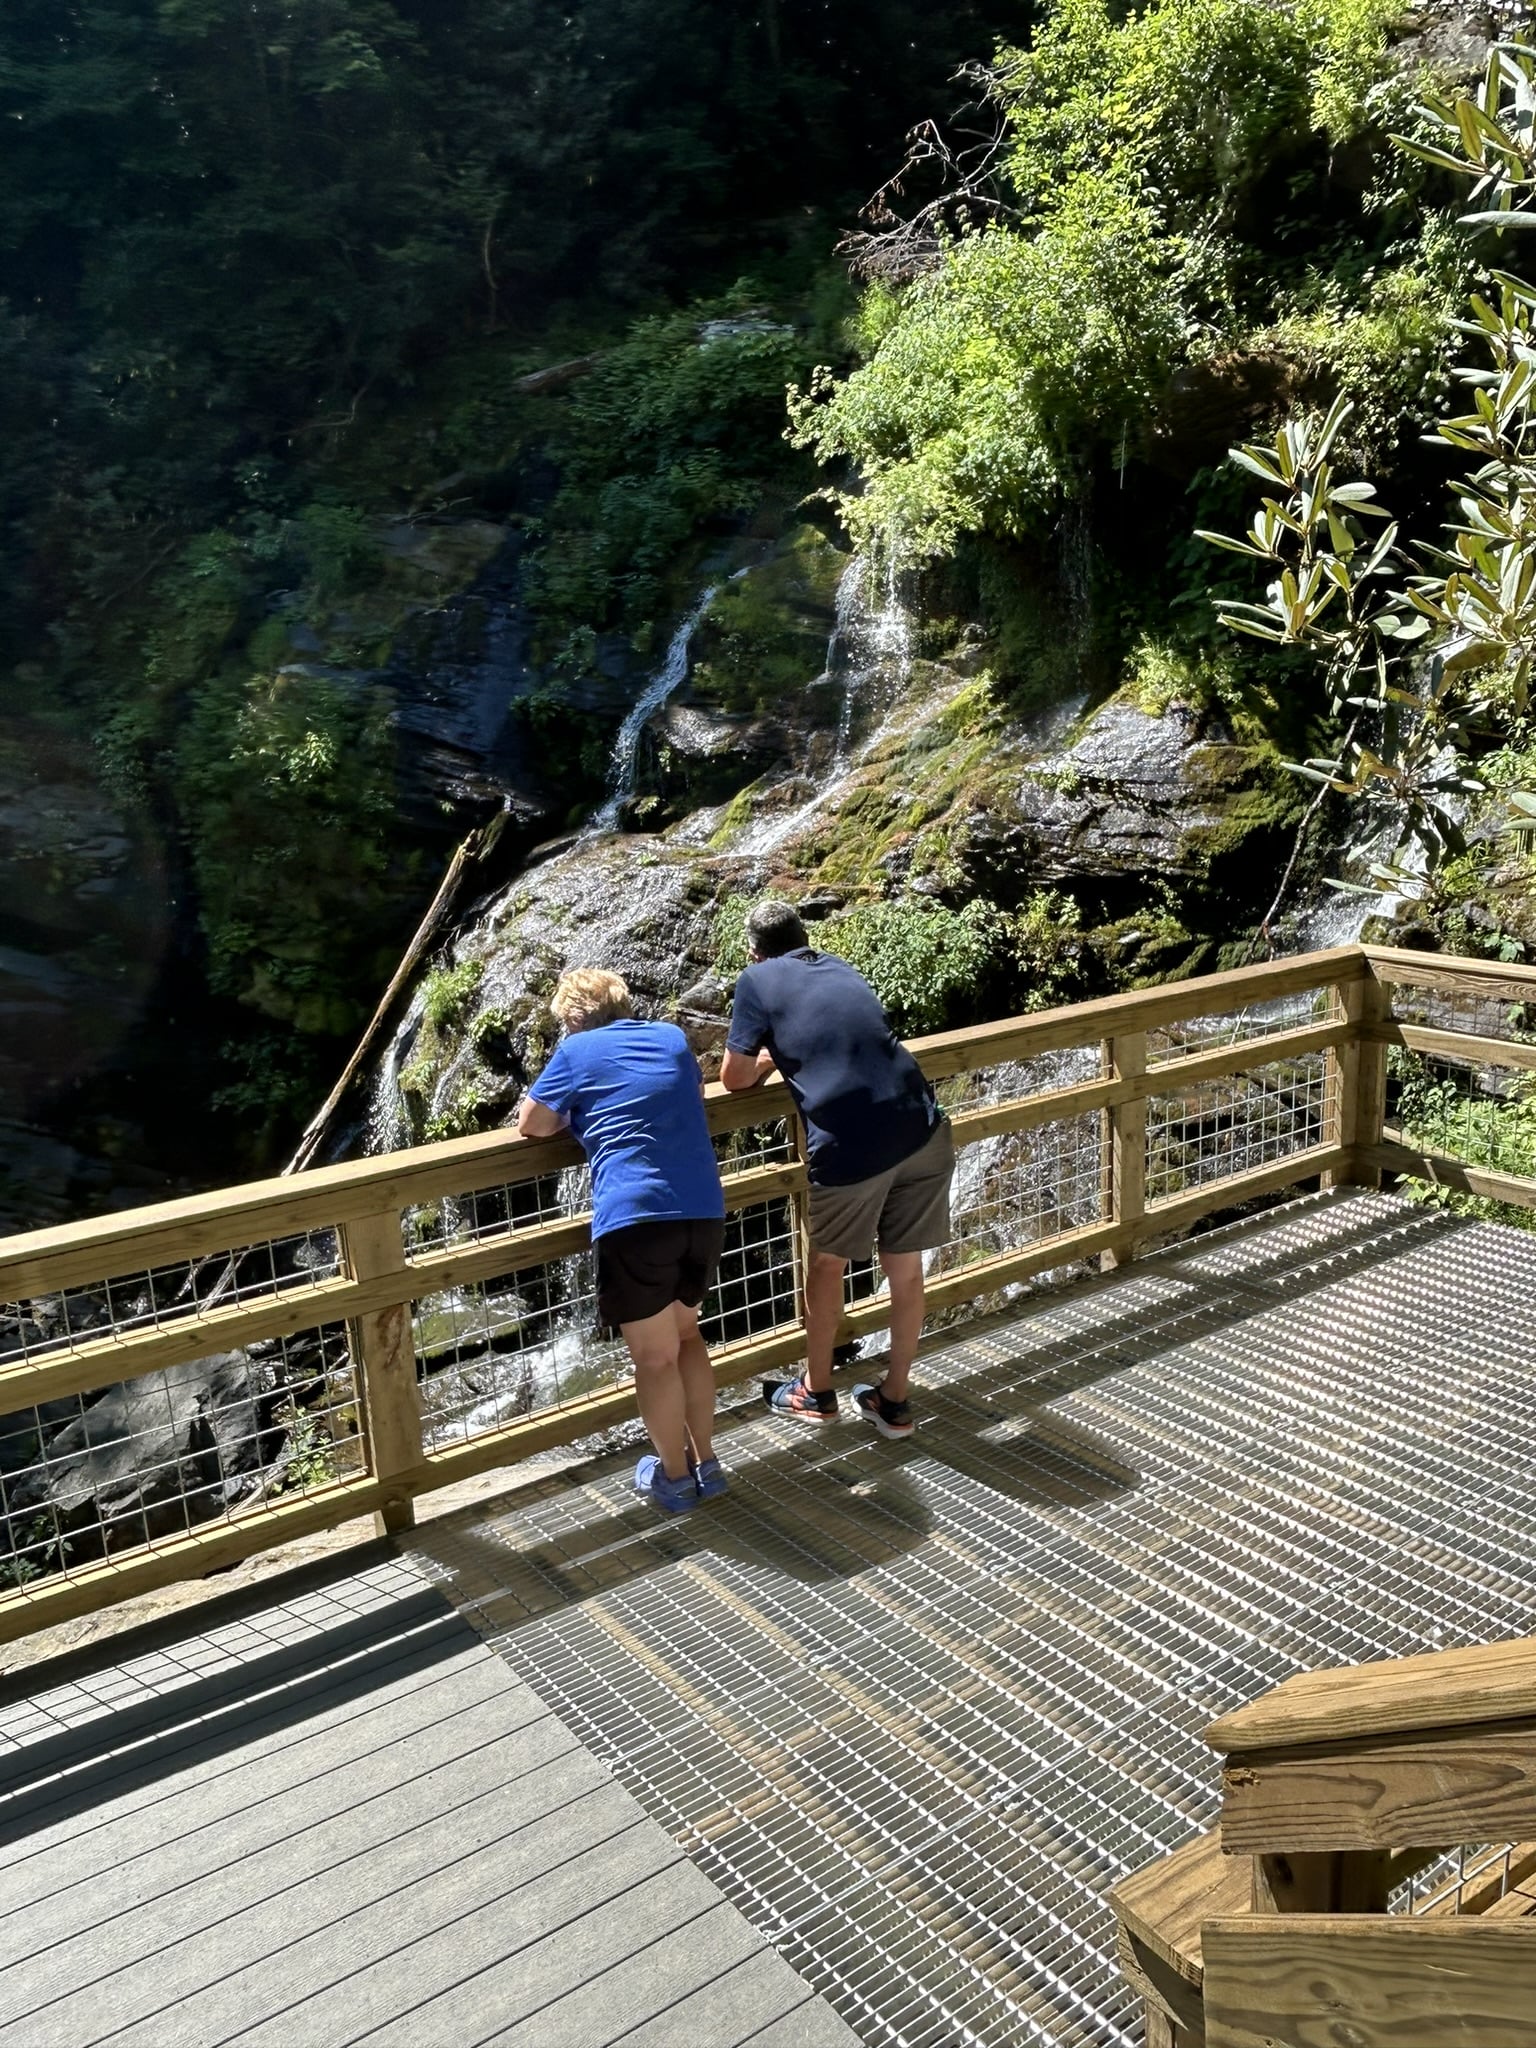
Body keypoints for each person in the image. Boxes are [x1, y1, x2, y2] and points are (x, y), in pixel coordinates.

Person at [720, 900, 954, 1438]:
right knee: (907, 1270)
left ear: (753, 951)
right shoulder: (841, 965)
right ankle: (893, 1401)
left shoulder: (755, 979)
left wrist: (767, 1060)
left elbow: (733, 1079)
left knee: (827, 1267)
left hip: (851, 1144)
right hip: (919, 1123)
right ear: (806, 938)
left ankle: (816, 1391)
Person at [517, 968, 727, 1514]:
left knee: (654, 1359)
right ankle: (706, 1461)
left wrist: (577, 1112)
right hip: (702, 1208)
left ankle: (675, 1479)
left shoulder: (576, 1051)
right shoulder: (670, 1038)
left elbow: (532, 1125)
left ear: (575, 1019)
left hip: (636, 1216)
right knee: (686, 1338)